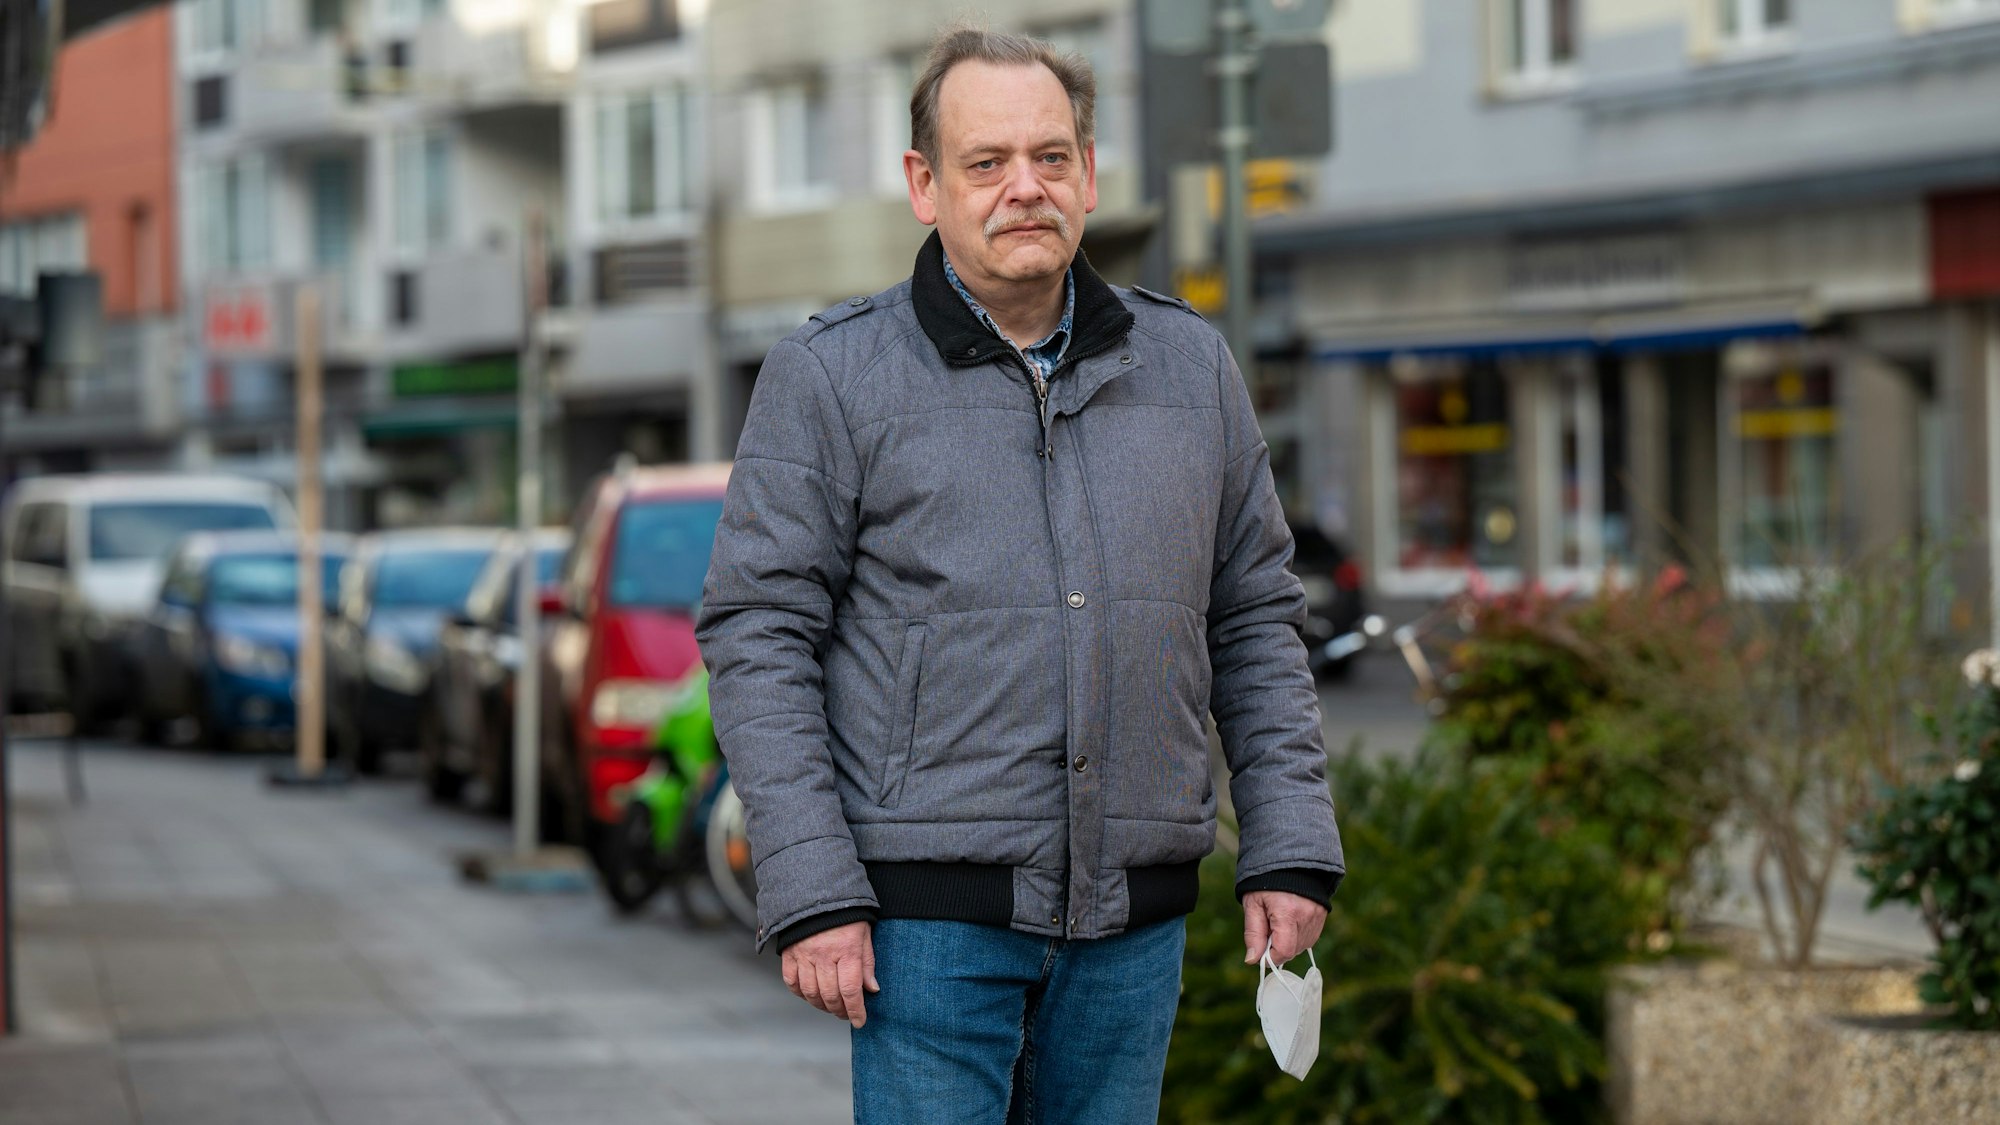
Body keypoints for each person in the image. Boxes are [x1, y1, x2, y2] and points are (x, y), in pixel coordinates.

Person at [696, 26, 1344, 1124]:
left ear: (1088, 174)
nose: (1023, 188)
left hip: (1131, 929)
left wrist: (1287, 844)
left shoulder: (1189, 368)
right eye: (985, 162)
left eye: (1050, 157)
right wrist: (809, 890)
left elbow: (1252, 621)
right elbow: (758, 633)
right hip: (921, 932)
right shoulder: (831, 374)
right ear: (924, 185)